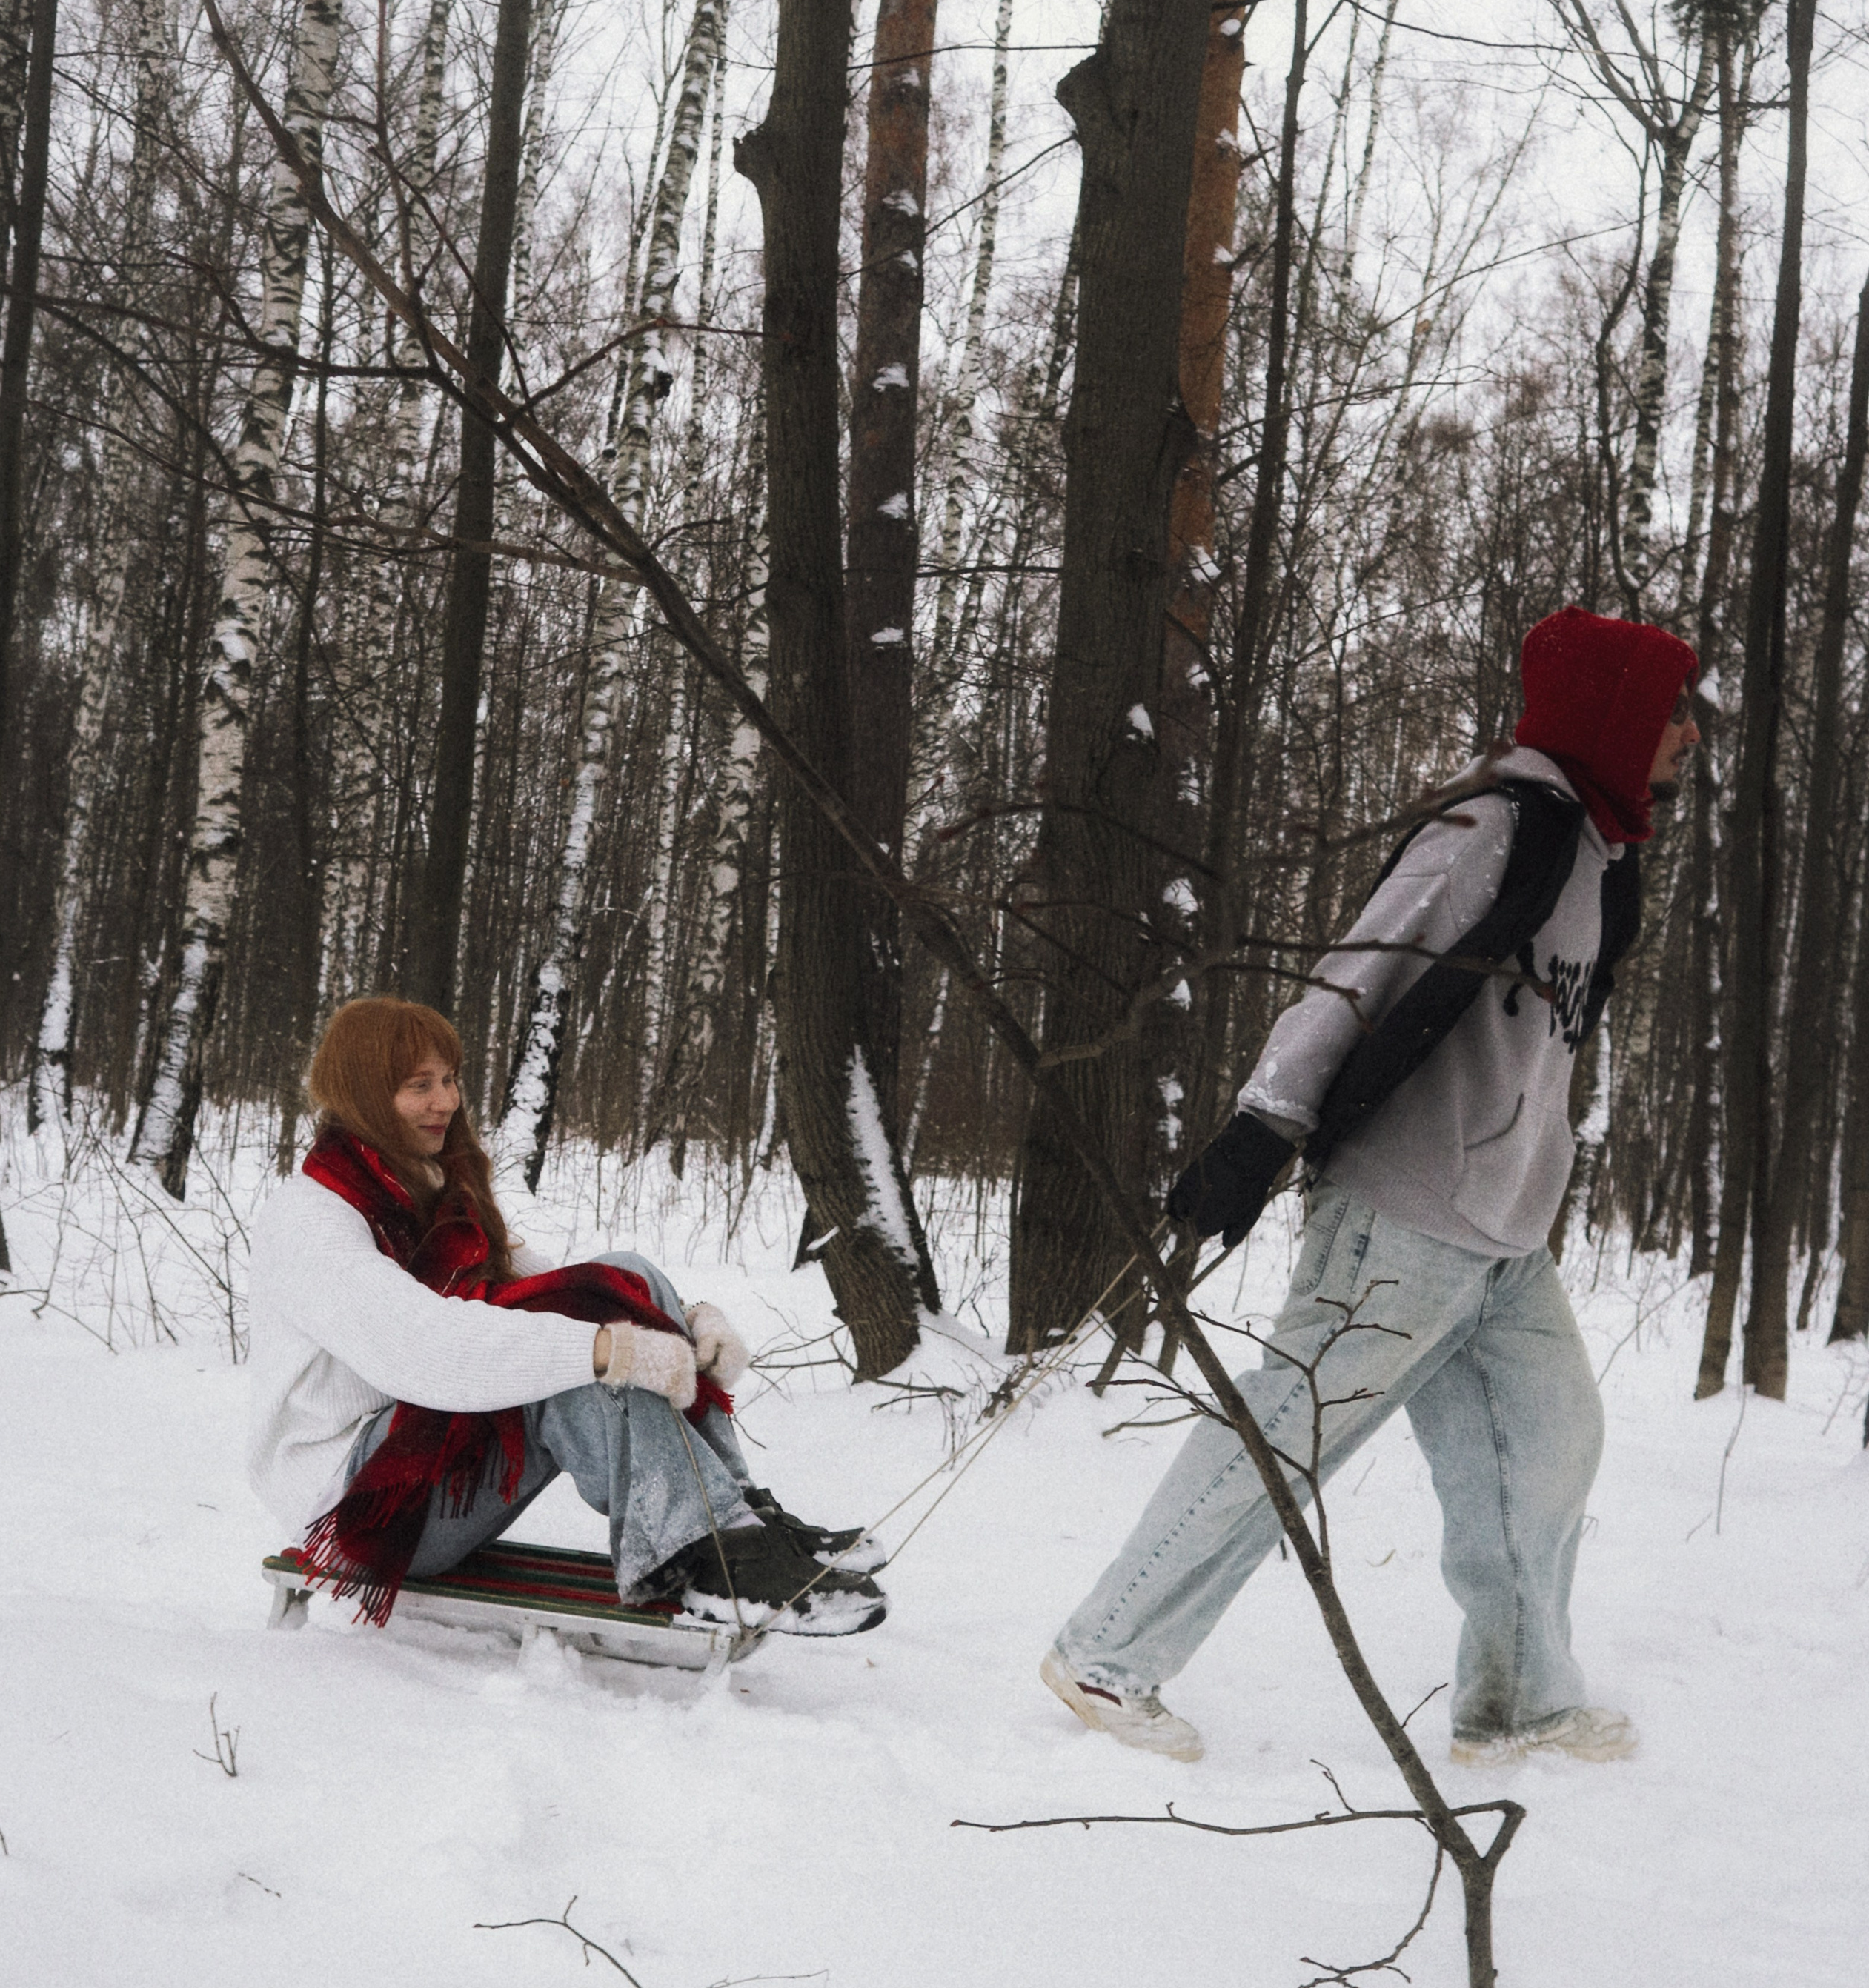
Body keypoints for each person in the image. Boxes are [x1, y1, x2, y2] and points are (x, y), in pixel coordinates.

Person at [1040, 606, 1700, 1763]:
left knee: (1553, 1442)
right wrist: (1263, 1124)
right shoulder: (1492, 827)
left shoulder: (1605, 864)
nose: (1689, 733)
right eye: (1670, 710)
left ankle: (1517, 1702)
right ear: (1611, 713)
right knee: (1290, 1437)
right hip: (1402, 1210)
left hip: (1504, 1232)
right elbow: (1355, 976)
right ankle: (1108, 1649)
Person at [248, 995, 886, 1635]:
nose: (446, 1101)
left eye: (450, 1078)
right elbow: (423, 1347)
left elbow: (562, 1285)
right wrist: (607, 1351)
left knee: (626, 1272)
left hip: (424, 1453)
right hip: (364, 1505)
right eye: (421, 1085)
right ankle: (708, 1554)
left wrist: (682, 1325)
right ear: (363, 1093)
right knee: (576, 1373)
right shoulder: (312, 1217)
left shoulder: (431, 1189)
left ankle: (738, 1519)